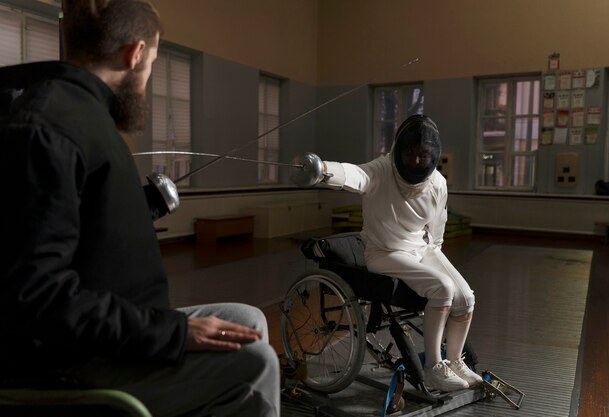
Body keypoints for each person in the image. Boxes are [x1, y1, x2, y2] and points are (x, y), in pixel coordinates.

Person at [0, 1, 280, 416]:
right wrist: (172, 333)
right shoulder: (47, 128)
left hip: (121, 330)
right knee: (255, 363)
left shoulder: (81, 112)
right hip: (74, 359)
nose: (147, 76)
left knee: (248, 320)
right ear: (134, 53)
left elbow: (78, 224)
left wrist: (142, 206)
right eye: (152, 62)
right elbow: (36, 297)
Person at [312, 115, 482, 392]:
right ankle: (433, 368)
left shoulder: (438, 182)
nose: (416, 161)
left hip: (421, 248)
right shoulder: (381, 170)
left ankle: (454, 361)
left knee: (466, 298)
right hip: (384, 252)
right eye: (410, 154)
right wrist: (322, 169)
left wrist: (433, 255)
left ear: (433, 155)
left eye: (423, 155)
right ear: (399, 151)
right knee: (442, 288)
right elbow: (354, 174)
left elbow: (437, 228)